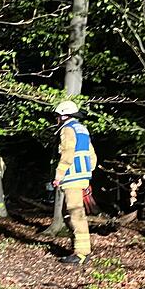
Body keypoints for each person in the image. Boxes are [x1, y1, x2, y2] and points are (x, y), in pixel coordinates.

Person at [52, 100, 97, 264]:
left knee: (76, 214)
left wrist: (58, 175)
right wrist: (87, 174)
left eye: (57, 116)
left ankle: (81, 253)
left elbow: (67, 153)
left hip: (72, 177)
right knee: (68, 213)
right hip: (82, 177)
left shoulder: (67, 130)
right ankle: (79, 247)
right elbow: (92, 156)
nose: (56, 119)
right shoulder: (82, 129)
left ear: (64, 115)